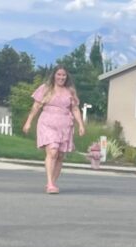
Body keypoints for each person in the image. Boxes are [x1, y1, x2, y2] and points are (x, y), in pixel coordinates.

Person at [21, 66, 86, 194]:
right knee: (53, 151)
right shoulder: (45, 88)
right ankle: (50, 183)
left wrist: (81, 125)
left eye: (63, 75)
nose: (61, 77)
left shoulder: (70, 91)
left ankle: (52, 182)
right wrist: (28, 122)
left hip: (64, 125)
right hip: (47, 122)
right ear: (54, 75)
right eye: (59, 74)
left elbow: (75, 109)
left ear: (66, 77)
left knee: (60, 155)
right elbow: (36, 106)